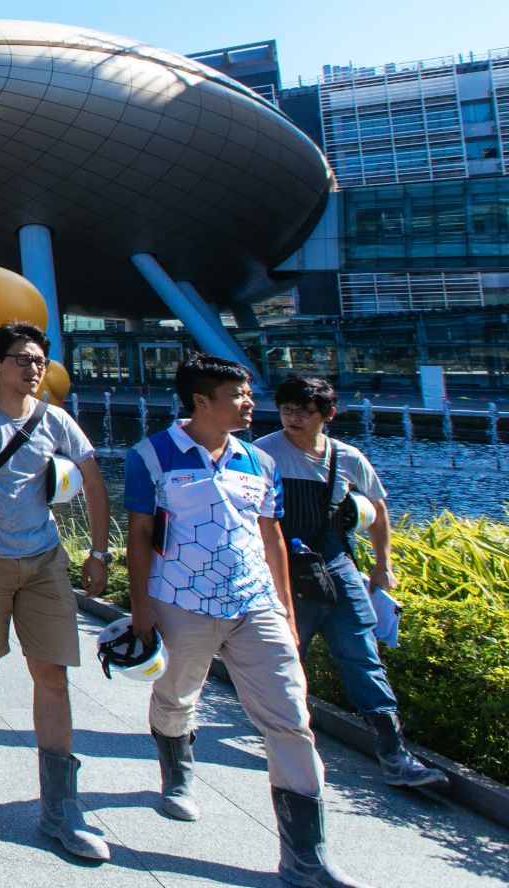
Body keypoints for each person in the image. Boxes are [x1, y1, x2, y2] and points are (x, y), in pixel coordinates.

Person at [125, 354, 364, 888]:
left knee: (289, 718)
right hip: (181, 603)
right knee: (175, 699)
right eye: (239, 395)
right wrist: (141, 608)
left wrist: (284, 606)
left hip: (256, 606)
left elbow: (271, 533)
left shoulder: (259, 461)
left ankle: (306, 856)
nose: (251, 402)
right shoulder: (151, 456)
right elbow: (140, 535)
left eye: (249, 394)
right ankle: (177, 771)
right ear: (202, 401)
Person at [0, 322, 114, 862]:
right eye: (21, 359)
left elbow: (95, 480)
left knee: (52, 673)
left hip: (43, 562)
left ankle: (60, 807)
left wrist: (100, 553)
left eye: (39, 360)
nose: (33, 369)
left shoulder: (55, 418)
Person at [254, 377, 446, 790]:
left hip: (338, 568)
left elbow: (377, 508)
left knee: (363, 657)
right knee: (285, 661)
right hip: (284, 573)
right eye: (287, 408)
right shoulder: (262, 453)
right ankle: (287, 742)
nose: (294, 417)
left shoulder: (347, 457)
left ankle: (395, 755)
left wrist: (383, 565)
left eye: (305, 410)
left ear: (328, 414)